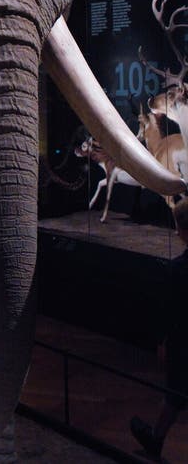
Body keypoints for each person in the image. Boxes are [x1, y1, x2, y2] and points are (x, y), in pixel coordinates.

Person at [130, 195, 188, 458]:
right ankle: (155, 439)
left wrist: (163, 339)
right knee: (174, 395)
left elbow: (172, 310)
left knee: (174, 392)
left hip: (182, 341)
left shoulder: (178, 269)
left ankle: (155, 440)